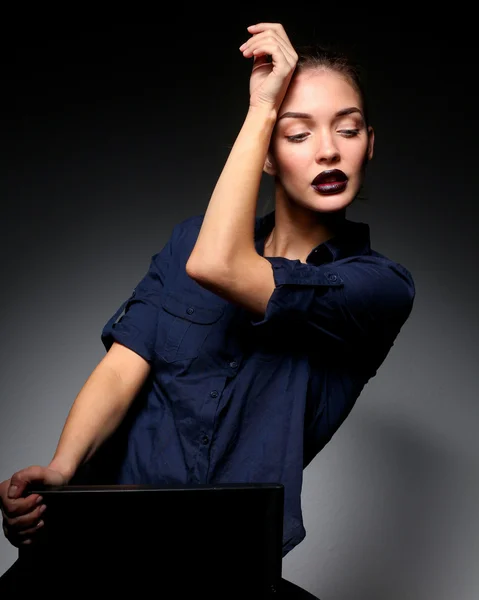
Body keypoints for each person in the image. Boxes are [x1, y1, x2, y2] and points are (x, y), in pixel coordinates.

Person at [0, 23, 415, 597]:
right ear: (265, 156)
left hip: (224, 563)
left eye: (347, 130)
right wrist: (63, 469)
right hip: (99, 542)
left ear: (370, 143)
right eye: (297, 134)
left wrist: (263, 109)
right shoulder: (189, 241)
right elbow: (124, 367)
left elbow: (220, 266)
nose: (327, 150)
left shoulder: (379, 288)